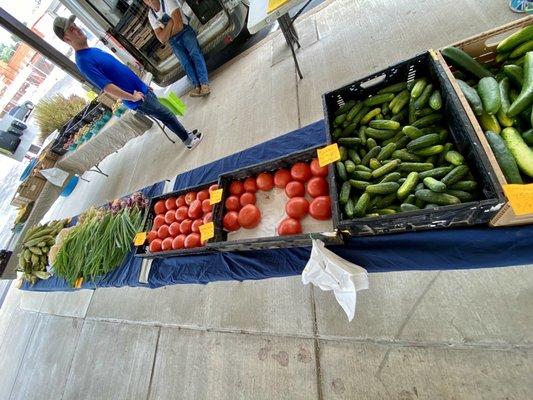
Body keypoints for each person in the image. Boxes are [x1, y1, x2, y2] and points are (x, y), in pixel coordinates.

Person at [53, 15, 203, 150]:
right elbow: (107, 87)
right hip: (137, 99)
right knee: (168, 115)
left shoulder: (91, 50)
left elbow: (119, 71)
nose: (77, 29)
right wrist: (132, 97)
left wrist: (143, 85)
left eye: (75, 25)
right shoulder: (83, 61)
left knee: (166, 116)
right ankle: (188, 140)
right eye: (71, 29)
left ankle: (186, 135)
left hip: (142, 91)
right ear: (67, 39)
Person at [144, 0, 211, 97]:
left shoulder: (167, 1)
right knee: (185, 63)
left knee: (195, 54)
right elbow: (161, 39)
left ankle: (204, 85)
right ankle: (197, 86)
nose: (149, 0)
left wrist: (166, 33)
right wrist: (171, 23)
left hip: (185, 31)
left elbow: (179, 25)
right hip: (173, 41)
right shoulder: (151, 15)